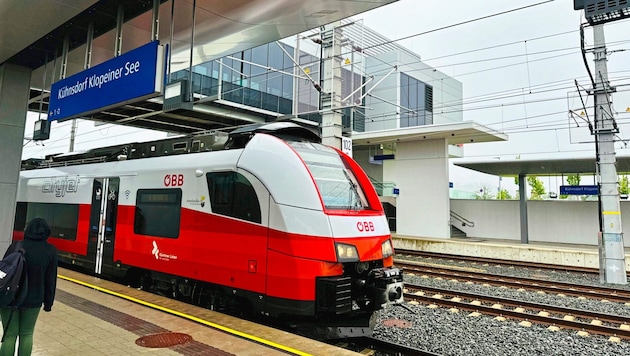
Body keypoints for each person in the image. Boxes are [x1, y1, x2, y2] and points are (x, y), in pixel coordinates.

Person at [0, 217, 58, 356]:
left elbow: (4, 271)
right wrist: (48, 303)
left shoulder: (16, 245)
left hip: (10, 297)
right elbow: (51, 280)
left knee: (9, 335)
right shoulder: (51, 251)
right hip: (34, 299)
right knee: (26, 334)